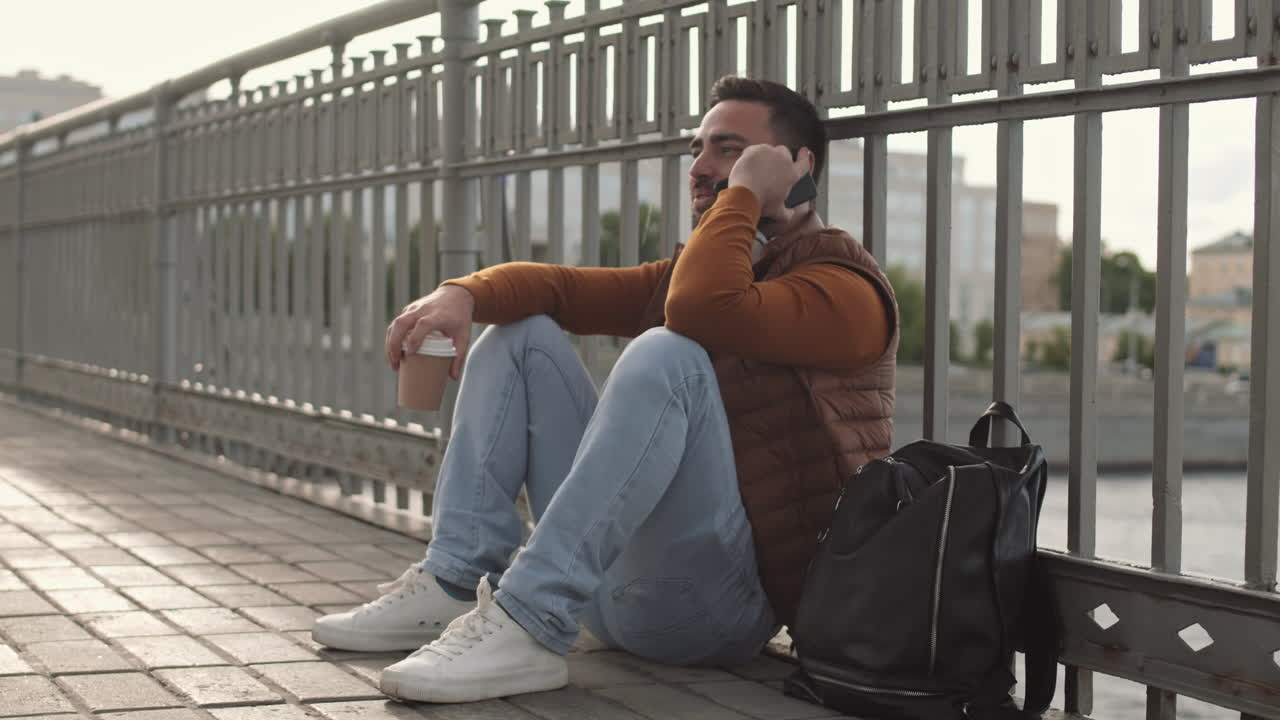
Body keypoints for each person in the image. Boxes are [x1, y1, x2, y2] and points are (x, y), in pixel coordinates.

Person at [311, 75, 899, 704]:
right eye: (696, 149)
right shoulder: (699, 276)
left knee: (666, 351)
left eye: (729, 150)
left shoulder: (846, 291)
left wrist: (745, 197)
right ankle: (454, 582)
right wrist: (461, 293)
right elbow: (559, 287)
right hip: (609, 594)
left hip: (715, 614)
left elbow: (702, 311)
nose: (701, 167)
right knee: (520, 337)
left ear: (799, 167)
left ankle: (527, 624)